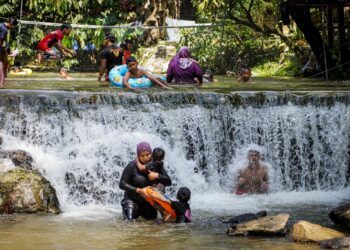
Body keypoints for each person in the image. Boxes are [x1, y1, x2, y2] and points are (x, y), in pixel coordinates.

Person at [119, 142, 172, 221]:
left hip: (149, 203)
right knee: (129, 222)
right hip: (132, 200)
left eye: (148, 155)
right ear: (138, 156)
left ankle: (163, 212)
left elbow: (168, 182)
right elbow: (122, 184)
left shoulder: (156, 165)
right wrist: (139, 190)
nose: (146, 158)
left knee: (152, 222)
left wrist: (157, 175)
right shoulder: (132, 166)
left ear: (152, 154)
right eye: (142, 156)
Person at [0, 17, 17, 86]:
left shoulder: (1, 25)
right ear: (11, 25)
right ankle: (1, 83)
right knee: (1, 64)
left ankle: (3, 81)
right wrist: (5, 52)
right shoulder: (4, 29)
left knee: (5, 63)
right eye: (13, 27)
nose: (12, 28)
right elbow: (1, 41)